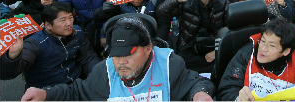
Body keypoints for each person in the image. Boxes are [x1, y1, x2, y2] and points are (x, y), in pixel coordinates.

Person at [20, 15, 215, 101]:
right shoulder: (103, 71)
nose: (121, 62)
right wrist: (46, 94)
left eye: (129, 55)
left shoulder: (169, 64)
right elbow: (77, 92)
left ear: (148, 49)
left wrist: (200, 94)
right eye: (116, 55)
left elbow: (196, 83)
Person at [0, 2, 99, 89]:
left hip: (75, 85)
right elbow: (6, 74)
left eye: (70, 17)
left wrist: (100, 74)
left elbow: (88, 57)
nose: (69, 23)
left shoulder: (77, 31)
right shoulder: (35, 43)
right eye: (62, 20)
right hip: (46, 90)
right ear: (48, 25)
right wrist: (12, 56)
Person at [216, 18, 295, 101]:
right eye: (263, 41)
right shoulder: (247, 53)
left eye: (272, 46)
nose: (263, 49)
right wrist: (237, 98)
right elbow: (225, 90)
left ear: (286, 51)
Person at [156, 0, 229, 73]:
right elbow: (161, 13)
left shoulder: (223, 3)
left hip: (212, 45)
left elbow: (230, 29)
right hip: (189, 44)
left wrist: (216, 51)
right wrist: (176, 0)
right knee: (179, 64)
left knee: (223, 63)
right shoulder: (187, 0)